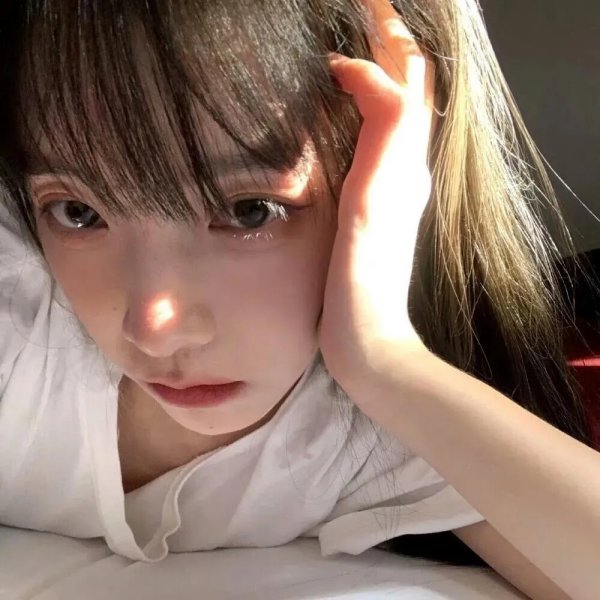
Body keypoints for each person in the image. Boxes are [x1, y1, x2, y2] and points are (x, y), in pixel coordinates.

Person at [0, 0, 598, 598]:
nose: (156, 329)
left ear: (381, 175)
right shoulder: (18, 317)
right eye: (77, 212)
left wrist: (386, 360)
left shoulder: (377, 432)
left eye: (249, 211)